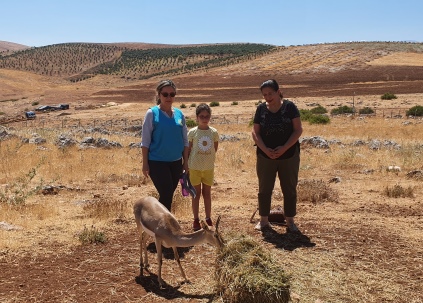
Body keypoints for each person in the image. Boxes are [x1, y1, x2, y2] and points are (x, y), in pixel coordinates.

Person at [251, 79, 303, 232]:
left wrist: (285, 147)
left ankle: (290, 220)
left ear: (279, 91)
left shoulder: (290, 107)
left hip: (289, 155)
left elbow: (298, 130)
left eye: (270, 93)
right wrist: (265, 149)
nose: (268, 97)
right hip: (265, 156)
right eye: (265, 94)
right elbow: (255, 132)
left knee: (289, 188)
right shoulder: (261, 109)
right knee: (264, 188)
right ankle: (264, 220)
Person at [141, 80, 189, 211]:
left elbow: (185, 140)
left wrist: (186, 162)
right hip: (157, 162)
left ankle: (158, 222)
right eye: (165, 94)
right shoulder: (151, 114)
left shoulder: (180, 114)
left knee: (168, 195)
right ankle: (163, 225)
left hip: (176, 162)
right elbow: (145, 141)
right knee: (166, 192)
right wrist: (145, 163)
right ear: (159, 95)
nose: (169, 97)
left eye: (172, 94)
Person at [187, 103, 219, 231]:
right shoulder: (192, 132)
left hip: (208, 168)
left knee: (207, 193)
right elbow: (188, 150)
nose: (204, 119)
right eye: (202, 116)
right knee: (196, 194)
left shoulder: (214, 132)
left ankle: (208, 218)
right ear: (197, 117)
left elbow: (214, 149)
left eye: (207, 116)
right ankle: (195, 219)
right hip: (194, 168)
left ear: (210, 117)